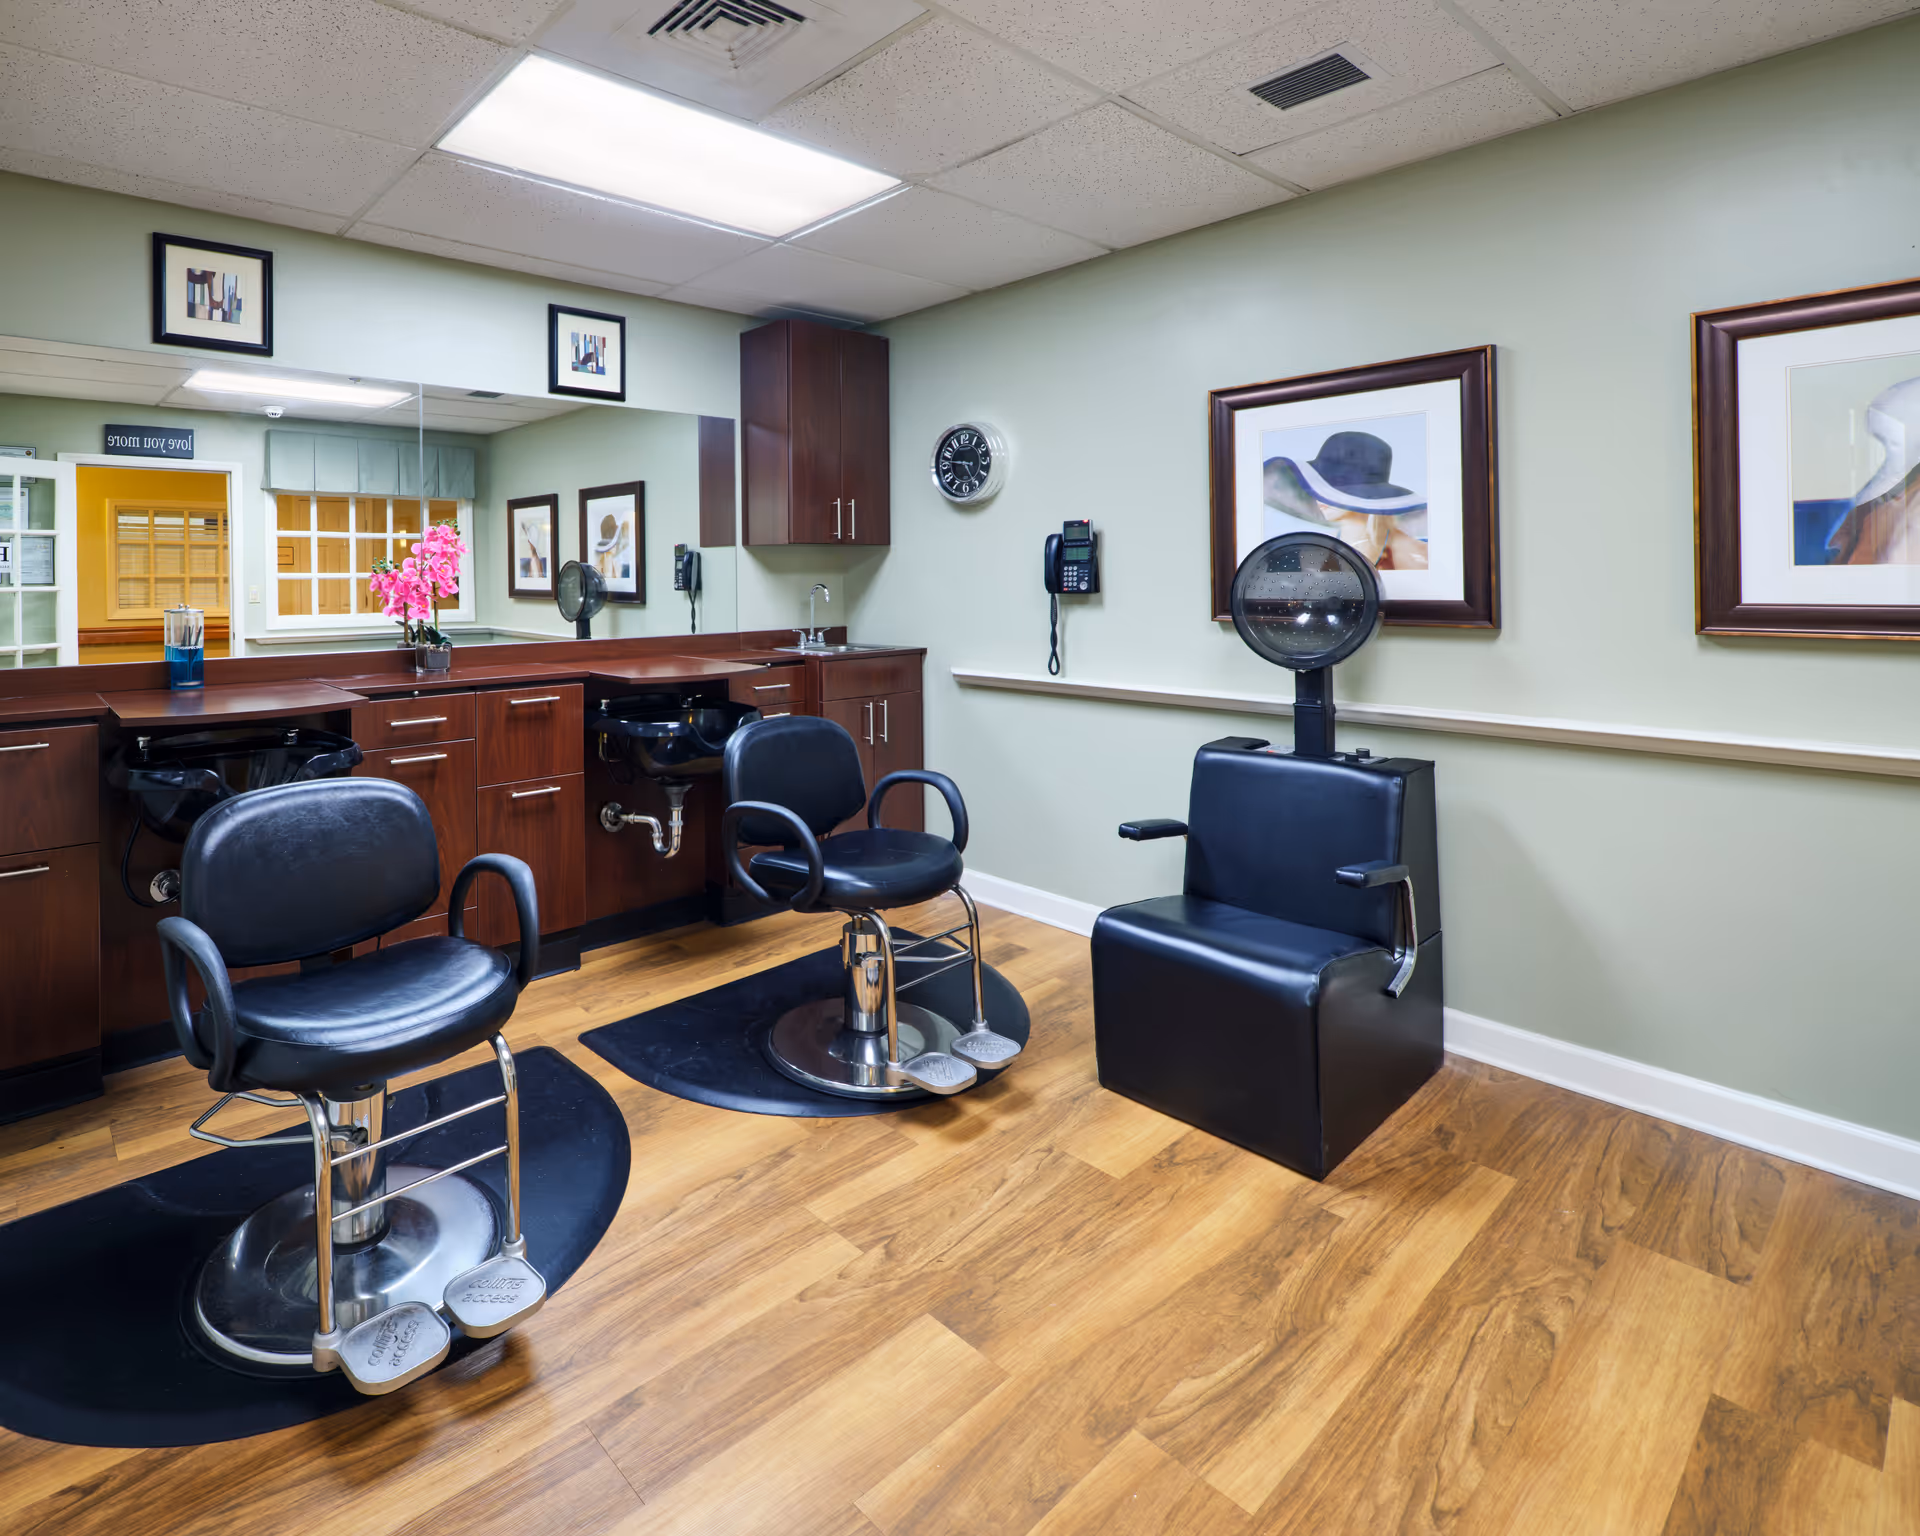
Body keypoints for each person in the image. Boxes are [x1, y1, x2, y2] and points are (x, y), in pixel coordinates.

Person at [1263, 429, 1428, 570]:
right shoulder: (1315, 554)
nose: (1320, 499)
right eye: (1320, 489)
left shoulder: (1410, 552)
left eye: (1330, 490)